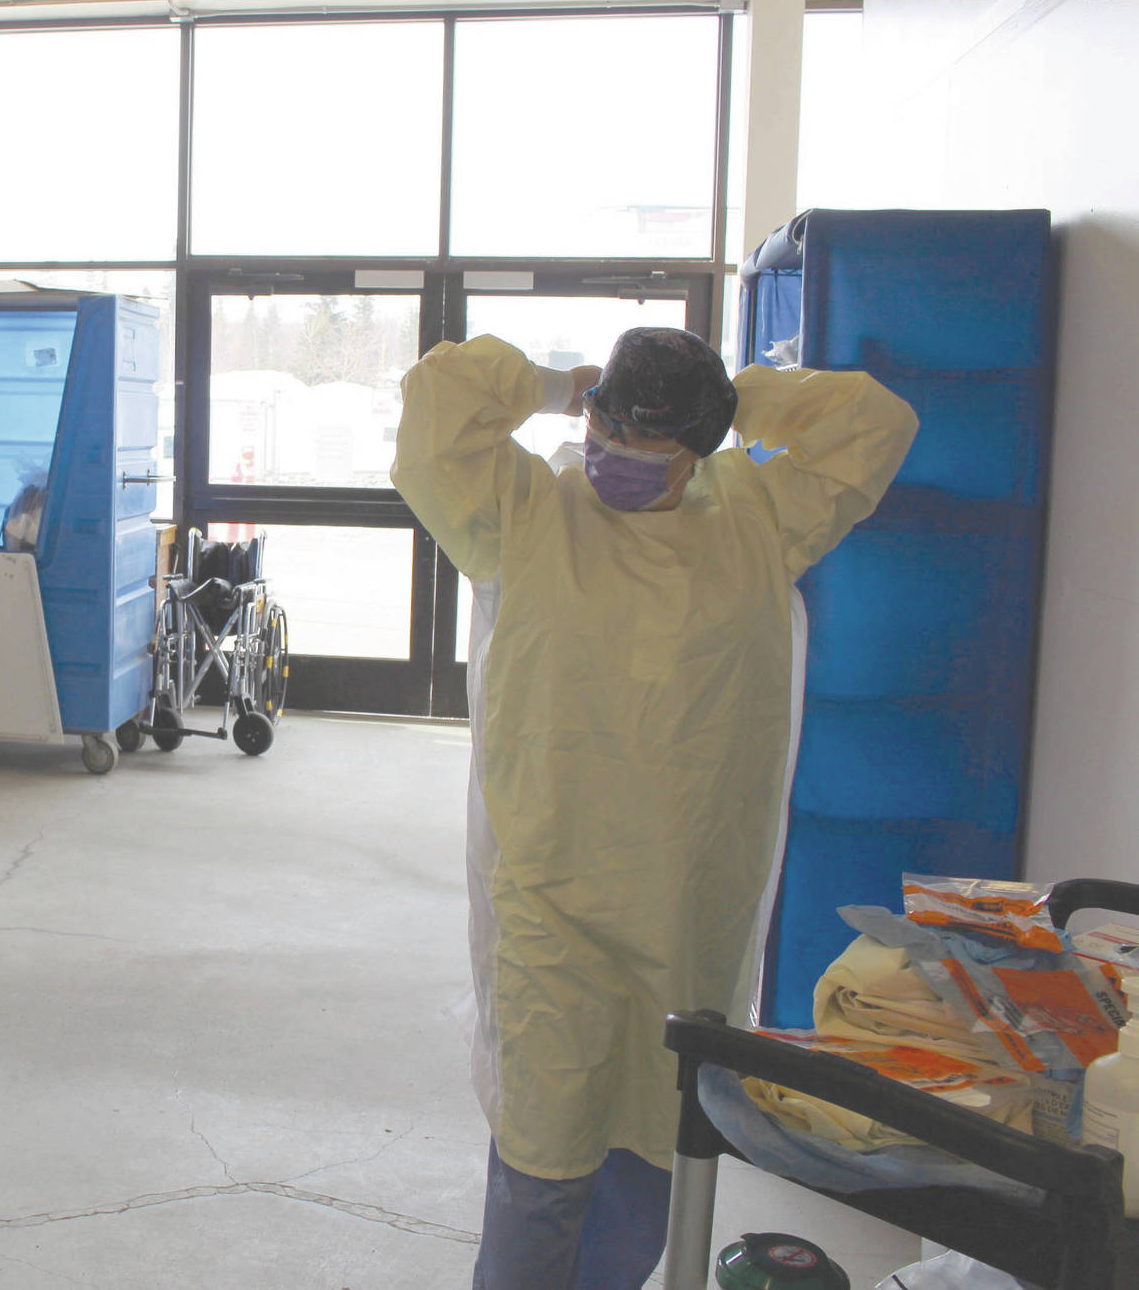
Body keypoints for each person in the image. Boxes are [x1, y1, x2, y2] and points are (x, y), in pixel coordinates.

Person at [391, 326, 918, 1290]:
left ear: (703, 450)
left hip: (689, 906)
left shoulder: (758, 513)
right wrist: (560, 382)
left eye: (650, 452)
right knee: (543, 1154)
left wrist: (742, 398)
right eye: (606, 435)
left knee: (653, 1144)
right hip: (555, 899)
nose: (616, 466)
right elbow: (436, 409)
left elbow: (875, 424)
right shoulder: (525, 509)